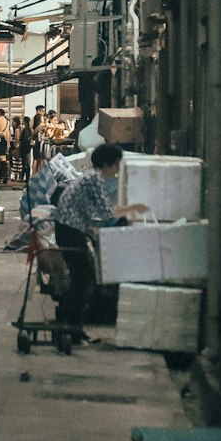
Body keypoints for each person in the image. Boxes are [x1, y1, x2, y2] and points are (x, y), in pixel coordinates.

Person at [52, 142, 149, 343]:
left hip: (69, 229)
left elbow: (91, 212)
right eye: (116, 165)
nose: (118, 170)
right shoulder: (95, 180)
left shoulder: (91, 178)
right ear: (106, 164)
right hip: (70, 231)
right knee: (84, 278)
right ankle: (70, 327)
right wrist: (135, 208)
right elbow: (106, 213)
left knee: (83, 278)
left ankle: (73, 328)